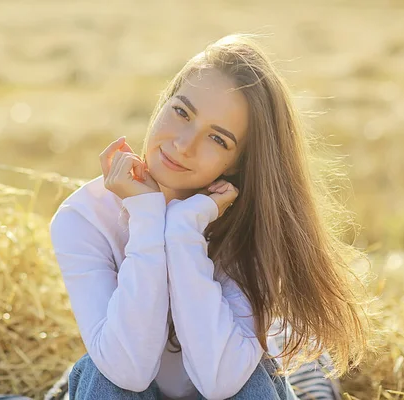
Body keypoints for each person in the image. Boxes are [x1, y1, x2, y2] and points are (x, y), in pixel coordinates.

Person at [49, 34, 372, 399]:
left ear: (238, 163)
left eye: (218, 139)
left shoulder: (257, 229)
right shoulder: (83, 218)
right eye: (181, 112)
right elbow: (128, 370)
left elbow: (222, 381)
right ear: (163, 103)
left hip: (227, 386)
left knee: (250, 373)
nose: (183, 144)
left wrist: (184, 232)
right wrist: (148, 218)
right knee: (101, 371)